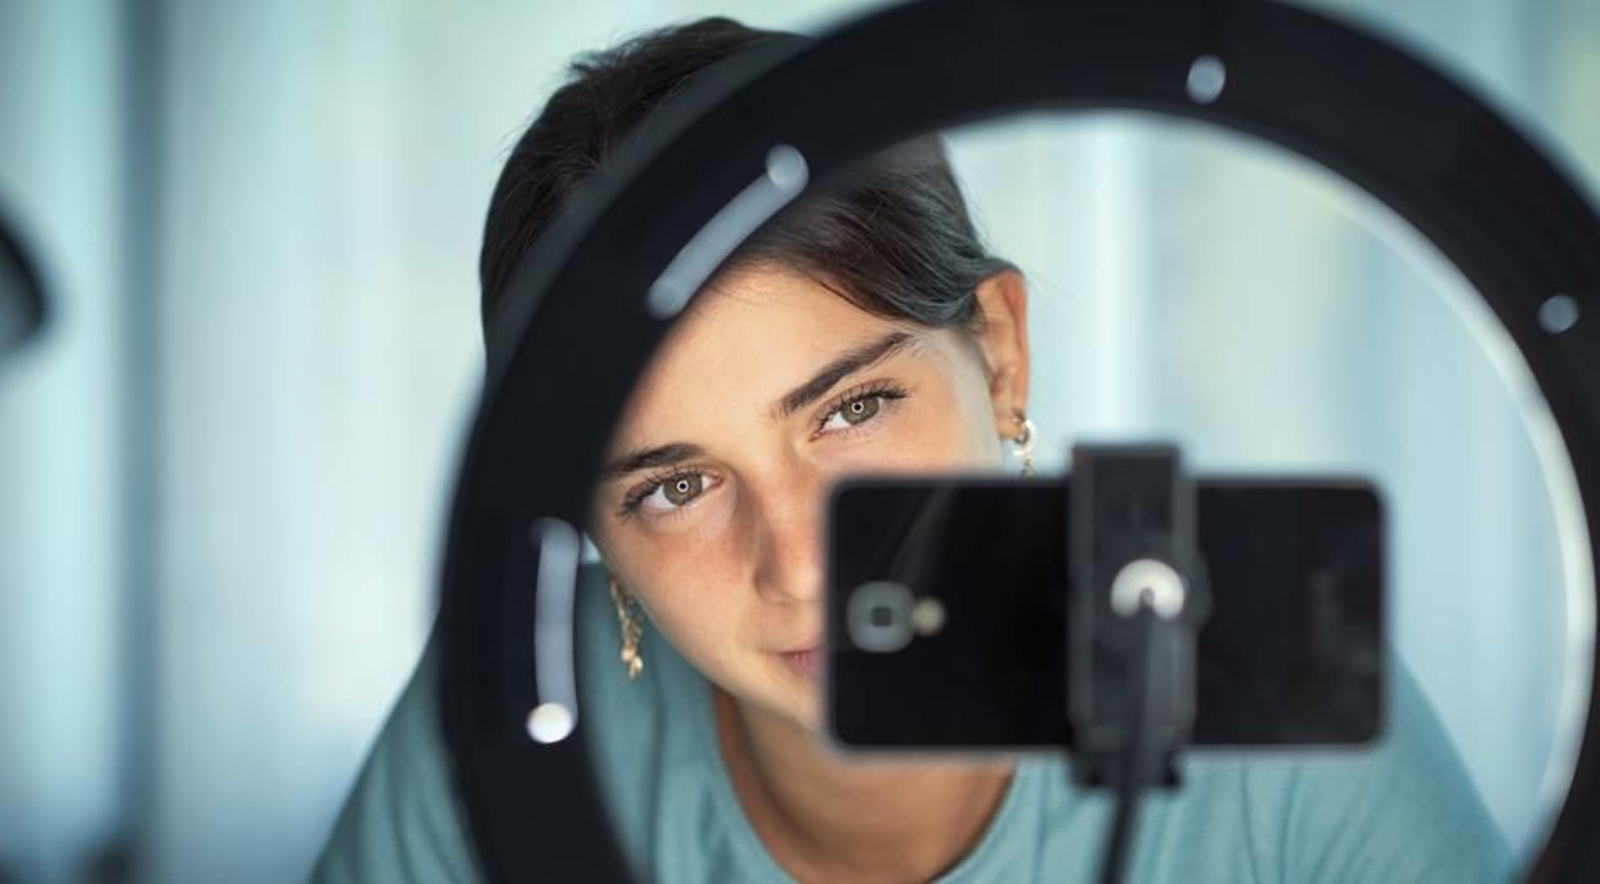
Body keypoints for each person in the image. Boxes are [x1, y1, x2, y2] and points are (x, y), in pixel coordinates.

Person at [316, 17, 1511, 883]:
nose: (800, 563)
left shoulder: (1264, 668)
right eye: (675, 486)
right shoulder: (517, 699)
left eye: (848, 409)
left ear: (998, 352)